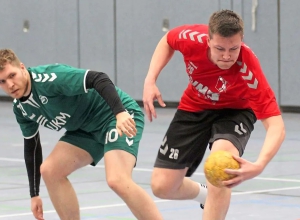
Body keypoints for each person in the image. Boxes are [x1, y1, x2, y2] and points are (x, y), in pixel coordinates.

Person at [143, 9, 285, 219]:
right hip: (195, 106)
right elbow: (167, 40)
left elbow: (276, 126)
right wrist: (150, 80)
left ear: (241, 41)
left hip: (236, 112)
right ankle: (204, 195)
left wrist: (260, 165)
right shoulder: (191, 38)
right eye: (220, 48)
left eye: (233, 48)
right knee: (162, 186)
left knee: (221, 168)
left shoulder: (249, 68)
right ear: (208, 40)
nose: (227, 56)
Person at [0, 49, 163, 220]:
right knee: (50, 171)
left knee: (117, 180)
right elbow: (31, 146)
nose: (10, 84)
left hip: (113, 116)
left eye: (12, 75)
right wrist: (34, 194)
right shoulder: (21, 108)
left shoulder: (51, 78)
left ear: (22, 68)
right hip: (84, 130)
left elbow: (98, 78)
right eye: (2, 81)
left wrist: (120, 113)